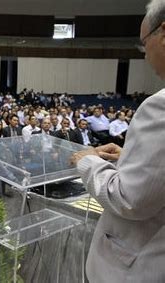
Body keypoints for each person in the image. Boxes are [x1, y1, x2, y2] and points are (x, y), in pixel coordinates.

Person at [71, 2, 165, 281]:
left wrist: (86, 161)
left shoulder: (160, 107)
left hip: (140, 265)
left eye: (144, 43)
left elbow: (129, 200)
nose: (145, 53)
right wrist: (132, 159)